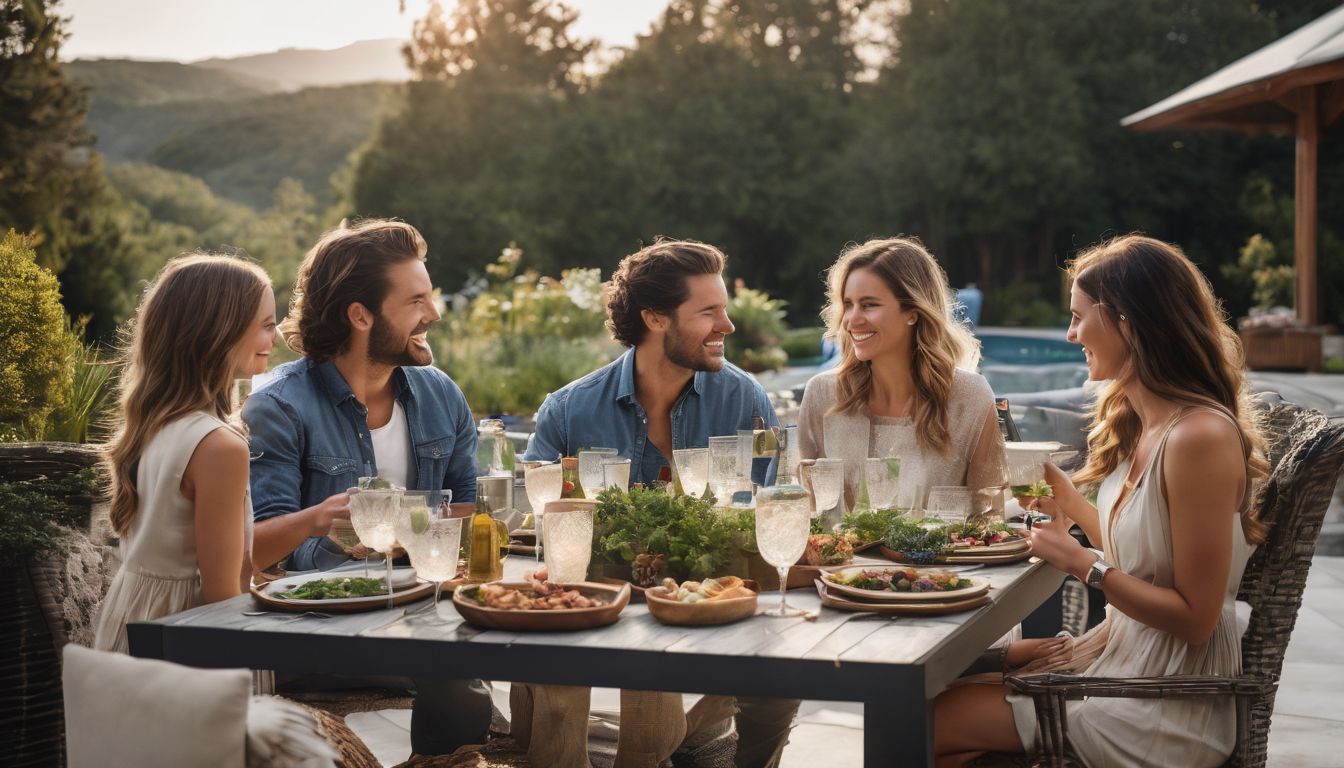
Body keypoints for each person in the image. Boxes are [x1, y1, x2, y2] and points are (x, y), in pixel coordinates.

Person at [934, 235, 1269, 767]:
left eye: (1078, 317)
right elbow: (1152, 555)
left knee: (927, 724)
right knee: (931, 708)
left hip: (1165, 705)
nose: (1070, 335)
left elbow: (1196, 618)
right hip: (1123, 668)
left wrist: (1080, 563)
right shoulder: (1154, 424)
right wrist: (1073, 505)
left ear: (1127, 323)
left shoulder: (1198, 436)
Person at [522, 239, 791, 768]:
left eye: (724, 309)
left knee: (782, 676)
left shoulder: (747, 402)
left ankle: (703, 745)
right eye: (708, 312)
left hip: (708, 604)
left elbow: (768, 513)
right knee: (547, 666)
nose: (728, 326)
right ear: (654, 317)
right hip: (598, 603)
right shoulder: (569, 410)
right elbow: (533, 524)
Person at [242, 218, 490, 757]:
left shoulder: (441, 394)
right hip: (325, 622)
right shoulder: (279, 406)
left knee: (517, 637)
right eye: (416, 301)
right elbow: (267, 547)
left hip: (426, 604)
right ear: (360, 315)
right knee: (456, 670)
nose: (434, 314)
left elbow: (466, 505)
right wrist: (345, 551)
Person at [94, 254, 275, 653]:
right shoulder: (220, 447)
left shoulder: (155, 423)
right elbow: (221, 599)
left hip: (133, 623)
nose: (274, 339)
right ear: (219, 334)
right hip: (186, 640)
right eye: (266, 326)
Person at [798, 237, 1006, 511]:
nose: (852, 320)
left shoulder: (970, 397)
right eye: (848, 304)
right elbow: (804, 511)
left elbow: (990, 517)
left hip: (942, 555)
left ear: (913, 312)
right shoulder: (823, 395)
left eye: (869, 304)